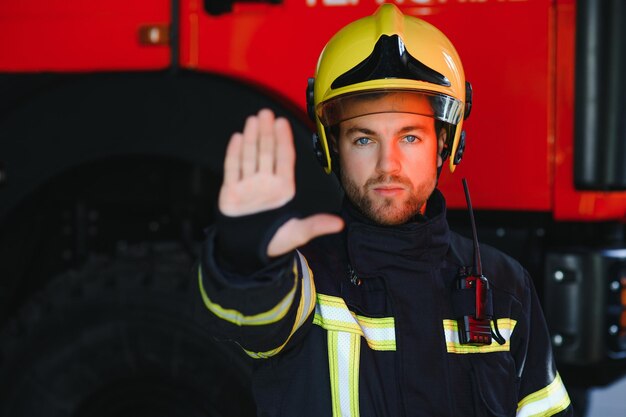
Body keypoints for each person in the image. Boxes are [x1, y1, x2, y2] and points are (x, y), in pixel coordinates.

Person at [197, 4, 573, 416]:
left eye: (410, 138)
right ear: (330, 148)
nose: (387, 165)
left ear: (446, 144)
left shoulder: (505, 288)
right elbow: (253, 313)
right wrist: (246, 257)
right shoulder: (305, 281)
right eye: (363, 139)